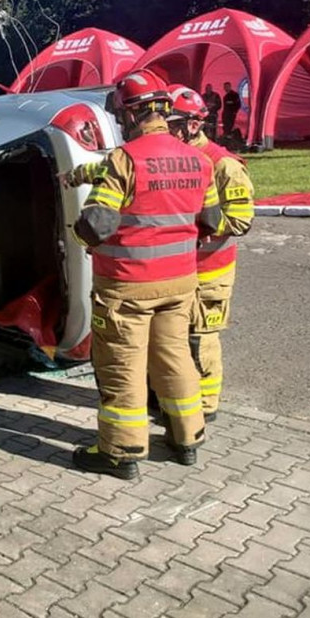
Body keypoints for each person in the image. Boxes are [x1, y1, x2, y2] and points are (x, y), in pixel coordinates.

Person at [71, 69, 221, 480]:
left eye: (121, 117)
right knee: (174, 359)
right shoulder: (199, 159)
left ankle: (119, 453)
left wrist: (76, 232)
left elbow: (97, 224)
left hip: (127, 286)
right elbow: (211, 219)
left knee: (123, 365)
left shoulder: (125, 160)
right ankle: (186, 439)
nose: (120, 124)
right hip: (180, 283)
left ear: (132, 114)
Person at [165, 85, 255, 420]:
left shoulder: (224, 165)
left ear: (192, 125)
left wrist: (195, 227)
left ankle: (205, 407)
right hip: (179, 269)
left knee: (200, 338)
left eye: (170, 122)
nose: (163, 130)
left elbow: (241, 220)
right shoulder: (174, 160)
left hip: (211, 271)